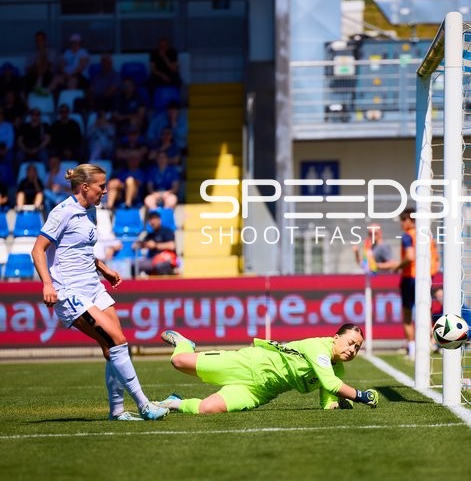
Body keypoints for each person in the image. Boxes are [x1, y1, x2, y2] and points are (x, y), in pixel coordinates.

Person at [30, 163, 168, 421]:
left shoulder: (91, 211)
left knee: (114, 347)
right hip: (70, 291)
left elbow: (79, 250)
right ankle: (144, 405)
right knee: (118, 340)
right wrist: (47, 284)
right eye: (101, 186)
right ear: (85, 187)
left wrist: (103, 268)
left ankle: (117, 412)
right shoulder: (63, 212)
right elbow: (38, 249)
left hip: (93, 286)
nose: (105, 191)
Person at [154, 324, 379, 413]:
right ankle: (184, 343)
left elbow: (327, 401)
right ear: (335, 338)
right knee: (179, 361)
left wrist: (339, 404)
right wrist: (361, 396)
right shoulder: (318, 347)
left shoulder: (337, 371)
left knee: (207, 409)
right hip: (247, 364)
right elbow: (331, 384)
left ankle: (174, 403)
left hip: (259, 392)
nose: (352, 349)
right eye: (350, 342)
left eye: (357, 348)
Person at [397, 208, 439, 360]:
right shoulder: (427, 236)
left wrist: (398, 266)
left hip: (410, 277)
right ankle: (431, 342)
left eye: (404, 220)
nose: (402, 223)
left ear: (411, 220)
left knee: (408, 313)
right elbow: (436, 258)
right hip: (426, 277)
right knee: (425, 310)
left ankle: (412, 348)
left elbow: (410, 256)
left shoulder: (407, 236)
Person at [135, 210, 177, 276]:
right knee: (135, 265)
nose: (153, 222)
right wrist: (142, 244)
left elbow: (172, 246)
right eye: (151, 219)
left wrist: (155, 245)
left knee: (159, 266)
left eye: (155, 219)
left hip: (165, 260)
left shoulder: (167, 231)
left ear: (159, 220)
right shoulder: (150, 234)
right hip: (152, 260)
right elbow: (140, 244)